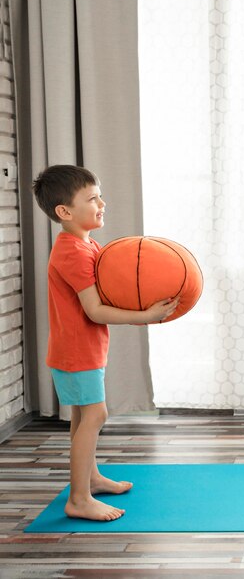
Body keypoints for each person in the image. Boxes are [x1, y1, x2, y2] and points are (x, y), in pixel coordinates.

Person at [32, 165, 179, 521]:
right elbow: (95, 310)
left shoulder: (83, 243)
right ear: (64, 212)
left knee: (83, 417)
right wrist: (146, 316)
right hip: (76, 351)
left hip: (80, 348)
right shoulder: (74, 252)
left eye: (100, 194)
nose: (102, 202)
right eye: (92, 198)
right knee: (95, 415)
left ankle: (91, 479)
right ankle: (79, 499)